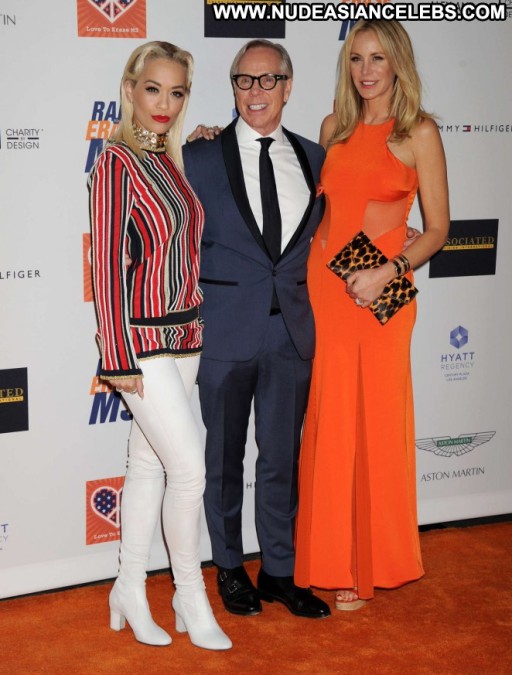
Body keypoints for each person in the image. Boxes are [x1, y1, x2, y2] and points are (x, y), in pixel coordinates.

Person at [294, 19, 450, 611]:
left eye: (378, 58)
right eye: (356, 58)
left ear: (397, 64)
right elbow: (322, 208)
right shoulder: (333, 127)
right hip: (327, 290)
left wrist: (391, 268)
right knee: (332, 423)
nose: (366, 70)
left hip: (382, 293)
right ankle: (333, 559)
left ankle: (367, 565)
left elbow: (438, 228)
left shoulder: (419, 132)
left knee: (376, 426)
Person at [88, 41, 231, 650]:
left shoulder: (171, 161)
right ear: (130, 89)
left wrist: (199, 141)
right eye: (153, 89)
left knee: (149, 465)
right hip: (142, 344)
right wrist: (117, 355)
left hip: (187, 334)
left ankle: (128, 587)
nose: (164, 103)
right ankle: (189, 594)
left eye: (176, 92)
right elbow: (104, 270)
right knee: (190, 470)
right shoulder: (115, 163)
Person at [183, 39, 330, 619]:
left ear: (288, 86)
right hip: (223, 333)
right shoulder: (198, 157)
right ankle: (228, 565)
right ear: (233, 87)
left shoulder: (316, 157)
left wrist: (396, 258)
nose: (256, 91)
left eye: (268, 79)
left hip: (291, 333)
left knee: (280, 460)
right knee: (222, 460)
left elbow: (336, 234)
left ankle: (279, 571)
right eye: (244, 80)